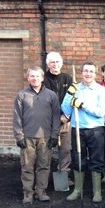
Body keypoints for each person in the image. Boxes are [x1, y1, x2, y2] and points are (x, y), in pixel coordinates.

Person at [61, 62, 105, 203]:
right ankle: (77, 190)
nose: (88, 74)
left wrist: (83, 105)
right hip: (78, 128)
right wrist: (70, 94)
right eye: (86, 71)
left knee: (96, 159)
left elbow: (100, 112)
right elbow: (66, 110)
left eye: (91, 72)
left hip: (96, 130)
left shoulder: (101, 90)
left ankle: (97, 192)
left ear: (95, 74)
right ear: (81, 72)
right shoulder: (76, 89)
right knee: (77, 158)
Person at [13, 66, 60, 204]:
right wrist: (19, 136)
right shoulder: (21, 95)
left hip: (45, 137)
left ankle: (41, 191)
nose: (35, 79)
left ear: (42, 78)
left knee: (44, 165)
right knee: (27, 166)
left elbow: (56, 117)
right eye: (32, 76)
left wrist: (54, 135)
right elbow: (17, 117)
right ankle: (28, 192)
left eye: (37, 76)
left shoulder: (51, 95)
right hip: (27, 137)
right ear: (28, 78)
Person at [43, 52, 74, 186]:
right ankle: (43, 177)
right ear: (48, 64)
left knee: (66, 149)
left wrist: (66, 116)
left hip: (65, 120)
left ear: (61, 63)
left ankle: (64, 174)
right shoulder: (43, 79)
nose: (55, 65)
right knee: (46, 150)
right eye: (52, 62)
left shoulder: (67, 78)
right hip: (48, 122)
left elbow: (73, 98)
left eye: (57, 62)